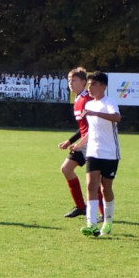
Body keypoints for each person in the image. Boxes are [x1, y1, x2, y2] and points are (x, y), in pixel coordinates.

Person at [72, 72, 120, 237]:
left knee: (106, 188)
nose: (89, 88)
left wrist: (96, 114)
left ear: (103, 86)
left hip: (110, 153)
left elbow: (117, 117)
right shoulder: (89, 105)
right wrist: (78, 145)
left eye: (93, 84)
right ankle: (91, 224)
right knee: (91, 186)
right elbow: (91, 131)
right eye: (89, 85)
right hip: (93, 152)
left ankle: (108, 221)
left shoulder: (109, 102)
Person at [57, 68, 90, 218]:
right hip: (82, 143)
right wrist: (69, 141)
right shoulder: (77, 99)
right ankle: (81, 207)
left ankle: (103, 214)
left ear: (84, 82)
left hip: (91, 143)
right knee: (66, 169)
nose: (71, 83)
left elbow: (93, 127)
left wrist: (79, 143)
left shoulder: (88, 99)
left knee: (95, 179)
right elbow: (82, 128)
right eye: (69, 80)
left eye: (74, 80)